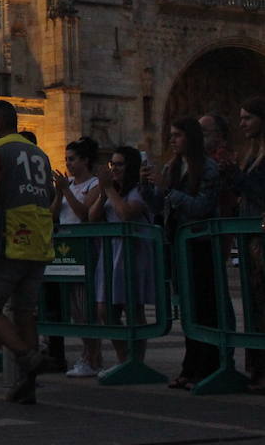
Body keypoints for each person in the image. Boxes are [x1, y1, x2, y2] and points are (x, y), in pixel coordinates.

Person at [0, 100, 55, 404]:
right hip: (39, 238)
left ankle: (26, 357)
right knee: (24, 312)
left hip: (6, 236)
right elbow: (50, 194)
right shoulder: (39, 154)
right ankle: (26, 386)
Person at [148, 117, 221, 391]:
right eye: (171, 135)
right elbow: (159, 206)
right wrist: (150, 188)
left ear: (190, 138)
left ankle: (206, 367)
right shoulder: (173, 166)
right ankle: (189, 367)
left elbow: (201, 206)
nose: (172, 140)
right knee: (188, 308)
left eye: (177, 135)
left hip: (200, 245)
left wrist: (168, 191)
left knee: (204, 306)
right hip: (178, 243)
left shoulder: (208, 169)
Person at [90, 146, 154, 377]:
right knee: (104, 308)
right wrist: (104, 191)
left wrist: (109, 188)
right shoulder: (112, 189)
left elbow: (127, 213)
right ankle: (123, 357)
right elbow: (93, 216)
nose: (113, 169)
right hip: (111, 252)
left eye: (119, 164)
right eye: (112, 164)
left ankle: (137, 361)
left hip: (132, 253)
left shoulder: (139, 190)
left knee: (132, 307)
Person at [53, 137, 104, 377]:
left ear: (85, 160)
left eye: (72, 159)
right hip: (67, 252)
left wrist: (65, 190)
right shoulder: (68, 184)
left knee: (86, 308)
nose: (69, 164)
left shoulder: (94, 184)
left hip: (86, 249)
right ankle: (90, 354)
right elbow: (55, 214)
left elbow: (83, 213)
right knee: (76, 308)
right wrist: (58, 192)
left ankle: (91, 356)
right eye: (67, 160)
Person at [234, 96, 265, 392]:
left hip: (261, 235)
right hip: (251, 237)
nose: (242, 123)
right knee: (255, 303)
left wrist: (238, 180)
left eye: (247, 118)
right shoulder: (250, 154)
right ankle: (256, 368)